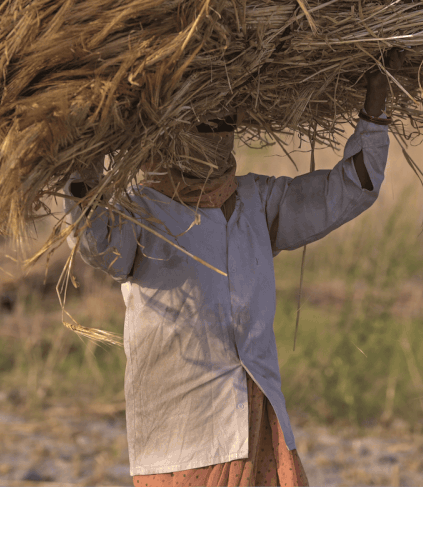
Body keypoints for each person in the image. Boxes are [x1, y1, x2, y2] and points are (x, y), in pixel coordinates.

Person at [63, 59, 396, 486]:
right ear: (166, 132)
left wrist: (374, 112)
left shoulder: (257, 202)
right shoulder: (141, 213)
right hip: (182, 440)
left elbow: (348, 190)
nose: (214, 136)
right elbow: (95, 243)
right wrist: (83, 162)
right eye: (200, 125)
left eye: (222, 123)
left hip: (258, 428)